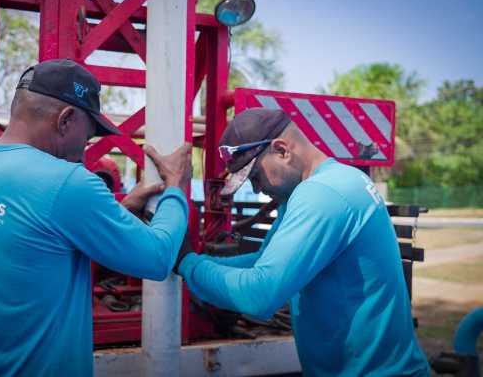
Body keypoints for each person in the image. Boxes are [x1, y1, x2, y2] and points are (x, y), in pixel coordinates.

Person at [0, 59, 191, 376]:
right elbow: (158, 257)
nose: (86, 145)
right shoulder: (69, 182)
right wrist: (175, 187)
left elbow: (31, 243)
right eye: (90, 134)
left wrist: (118, 212)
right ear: (66, 119)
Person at [174, 108, 430, 376]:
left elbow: (259, 295)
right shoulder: (326, 183)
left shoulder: (322, 193)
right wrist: (202, 262)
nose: (258, 189)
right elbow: (263, 261)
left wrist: (188, 265)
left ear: (282, 150)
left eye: (255, 177)